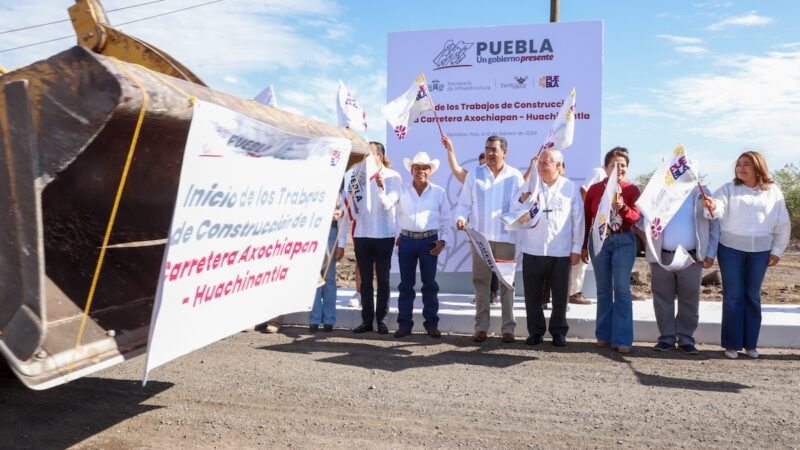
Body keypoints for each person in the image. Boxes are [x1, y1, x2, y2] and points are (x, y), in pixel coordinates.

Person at [703, 151, 791, 359]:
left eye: (746, 165)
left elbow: (783, 224)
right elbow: (716, 211)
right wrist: (711, 206)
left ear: (758, 167)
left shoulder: (773, 192)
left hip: (761, 252)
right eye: (739, 164)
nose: (741, 168)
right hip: (730, 250)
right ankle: (732, 345)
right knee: (733, 296)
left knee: (752, 296)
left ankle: (751, 344)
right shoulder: (727, 189)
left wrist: (777, 250)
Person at [455, 135, 524, 343]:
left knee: (507, 284)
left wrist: (523, 202)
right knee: (480, 283)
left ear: (505, 152)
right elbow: (464, 203)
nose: (490, 153)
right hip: (480, 238)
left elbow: (520, 206)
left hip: (506, 238)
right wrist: (460, 217)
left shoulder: (515, 176)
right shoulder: (474, 174)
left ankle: (508, 328)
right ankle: (481, 327)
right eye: (487, 149)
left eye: (494, 149)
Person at [515, 149, 584, 347]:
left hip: (561, 251)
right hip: (532, 249)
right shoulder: (530, 186)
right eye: (540, 162)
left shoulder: (570, 188)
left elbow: (578, 220)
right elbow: (516, 212)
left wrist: (576, 247)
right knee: (532, 295)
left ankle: (558, 332)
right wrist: (521, 201)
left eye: (547, 162)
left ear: (558, 166)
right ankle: (535, 332)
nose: (542, 165)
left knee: (561, 296)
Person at [642, 184, 720, 354]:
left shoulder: (703, 192)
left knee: (690, 298)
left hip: (691, 257)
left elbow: (714, 224)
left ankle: (686, 339)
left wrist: (711, 252)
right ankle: (666, 338)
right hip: (662, 255)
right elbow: (644, 219)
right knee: (662, 299)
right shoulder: (659, 190)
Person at [581, 147, 641, 354]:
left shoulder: (632, 189)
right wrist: (583, 245)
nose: (619, 169)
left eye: (623, 165)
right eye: (614, 165)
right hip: (599, 242)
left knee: (622, 289)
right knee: (603, 290)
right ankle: (603, 335)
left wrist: (622, 206)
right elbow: (587, 219)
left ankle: (622, 338)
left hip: (624, 241)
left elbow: (635, 217)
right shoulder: (595, 189)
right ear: (606, 167)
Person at [343, 141, 401, 334]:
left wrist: (381, 188)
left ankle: (382, 320)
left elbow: (390, 204)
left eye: (370, 155)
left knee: (383, 281)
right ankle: (366, 321)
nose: (366, 159)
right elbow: (348, 206)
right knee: (365, 281)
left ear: (380, 156)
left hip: (384, 235)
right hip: (362, 234)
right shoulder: (357, 177)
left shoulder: (393, 177)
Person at [394, 152, 450, 338]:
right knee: (406, 285)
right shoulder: (401, 190)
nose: (421, 171)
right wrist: (397, 235)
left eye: (425, 168)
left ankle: (431, 325)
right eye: (417, 167)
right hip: (407, 241)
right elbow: (391, 212)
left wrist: (442, 241)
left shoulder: (439, 192)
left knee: (430, 285)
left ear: (430, 171)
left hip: (429, 242)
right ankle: (404, 325)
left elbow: (446, 220)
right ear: (411, 170)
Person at [442, 135, 500, 305]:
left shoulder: (506, 176)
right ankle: (482, 295)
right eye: (482, 160)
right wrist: (451, 149)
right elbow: (456, 169)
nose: (486, 163)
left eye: (490, 156)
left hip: (497, 230)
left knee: (495, 264)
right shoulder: (473, 177)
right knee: (481, 265)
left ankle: (494, 293)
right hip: (476, 230)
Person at [568, 166, 606, 305]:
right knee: (581, 257)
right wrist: (587, 211)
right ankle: (573, 292)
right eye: (613, 163)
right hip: (588, 221)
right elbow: (584, 189)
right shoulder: (599, 172)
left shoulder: (614, 180)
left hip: (600, 225)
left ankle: (574, 290)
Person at [309, 200, 345, 333]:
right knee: (314, 277)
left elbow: (344, 208)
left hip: (331, 229)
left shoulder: (340, 186)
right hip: (312, 229)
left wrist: (340, 212)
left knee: (329, 278)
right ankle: (315, 319)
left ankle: (329, 319)